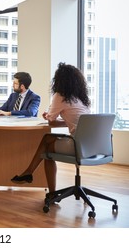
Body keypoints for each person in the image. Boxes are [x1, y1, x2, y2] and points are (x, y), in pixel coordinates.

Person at [11, 63, 91, 197]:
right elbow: (73, 122)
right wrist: (54, 119)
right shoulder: (80, 99)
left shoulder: (61, 96)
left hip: (78, 146)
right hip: (92, 145)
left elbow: (51, 120)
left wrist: (48, 116)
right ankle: (28, 173)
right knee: (47, 139)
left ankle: (36, 178)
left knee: (47, 148)